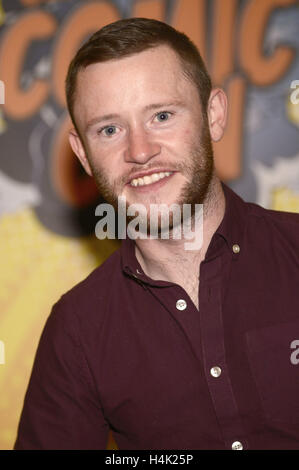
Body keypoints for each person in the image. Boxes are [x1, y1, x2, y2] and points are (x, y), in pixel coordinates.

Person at [14, 17, 299, 450]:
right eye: (109, 130)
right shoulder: (76, 331)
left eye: (162, 116)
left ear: (214, 116)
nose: (140, 151)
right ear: (83, 155)